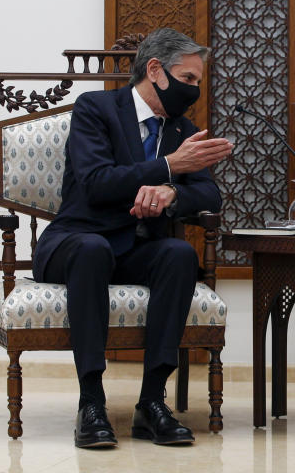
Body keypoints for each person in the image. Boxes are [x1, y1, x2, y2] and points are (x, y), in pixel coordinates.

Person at [33, 28, 233, 448]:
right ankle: (91, 403)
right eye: (189, 78)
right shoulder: (96, 108)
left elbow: (209, 192)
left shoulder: (181, 130)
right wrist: (167, 166)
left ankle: (152, 403)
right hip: (76, 240)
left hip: (132, 248)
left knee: (178, 254)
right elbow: (95, 183)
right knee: (92, 249)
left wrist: (172, 191)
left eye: (198, 81)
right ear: (156, 70)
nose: (194, 90)